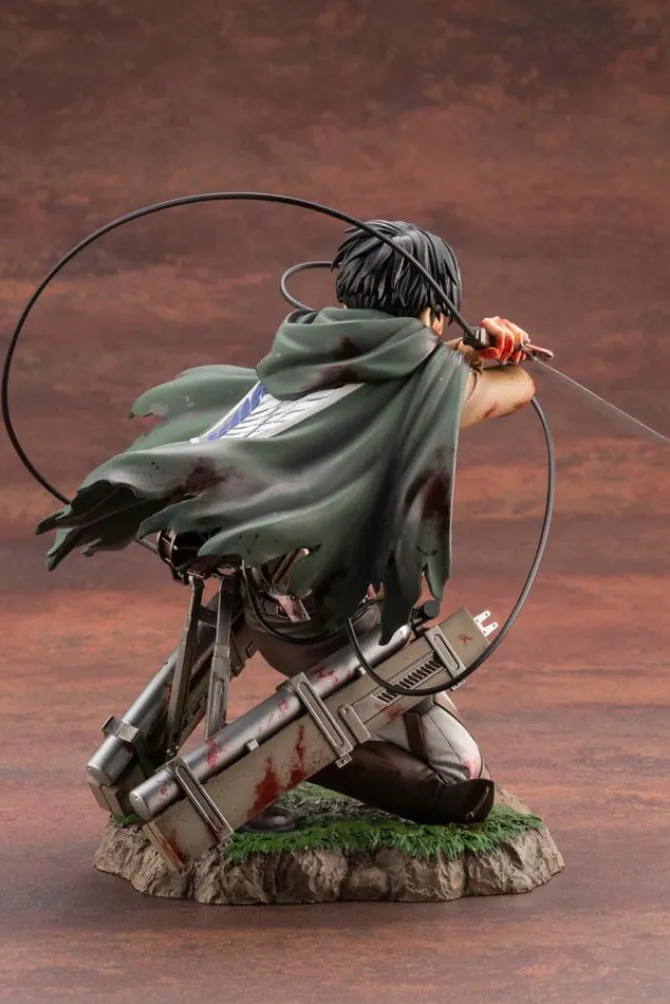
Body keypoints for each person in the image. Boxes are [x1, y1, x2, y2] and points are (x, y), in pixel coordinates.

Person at [37, 220, 535, 832]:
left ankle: (140, 758)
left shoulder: (298, 361)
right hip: (346, 634)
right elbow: (517, 389)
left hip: (256, 610)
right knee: (458, 775)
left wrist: (458, 352)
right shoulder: (425, 392)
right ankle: (271, 756)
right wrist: (498, 352)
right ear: (435, 312)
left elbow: (395, 375)